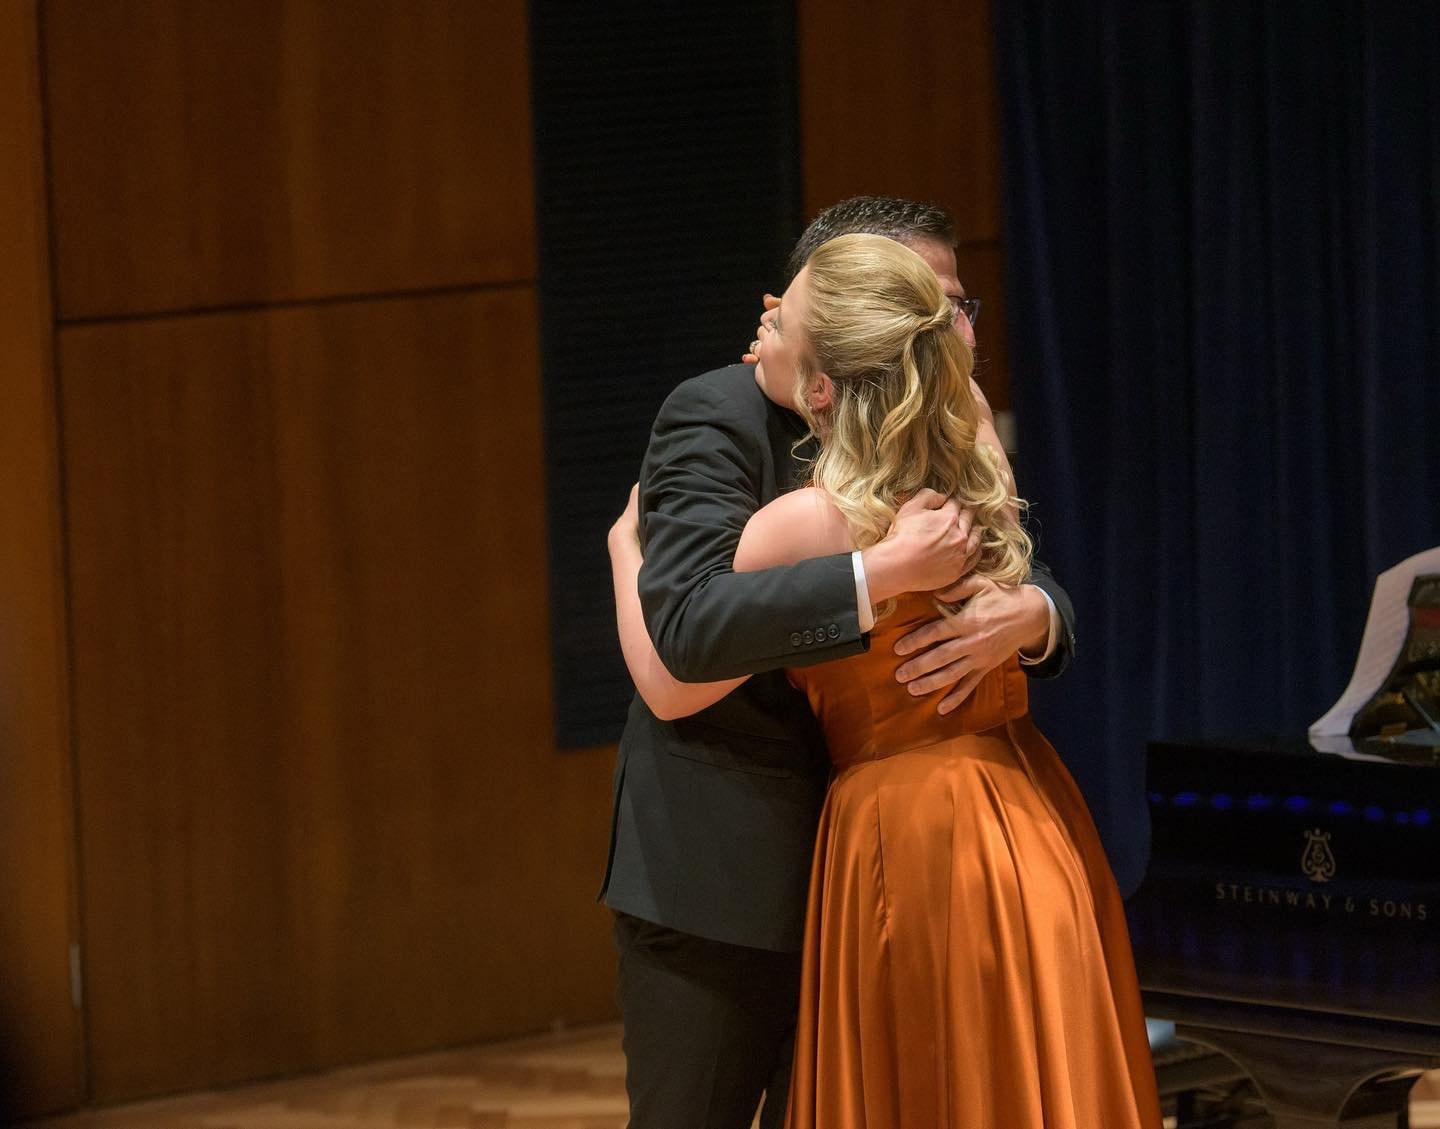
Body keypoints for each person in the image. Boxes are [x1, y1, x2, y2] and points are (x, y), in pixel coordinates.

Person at [612, 233, 1161, 1128]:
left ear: (824, 385)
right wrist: (908, 578)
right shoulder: (968, 459)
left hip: (895, 842)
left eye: (782, 314)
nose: (763, 324)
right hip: (1018, 827)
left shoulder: (803, 520)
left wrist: (620, 554)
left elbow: (674, 665)